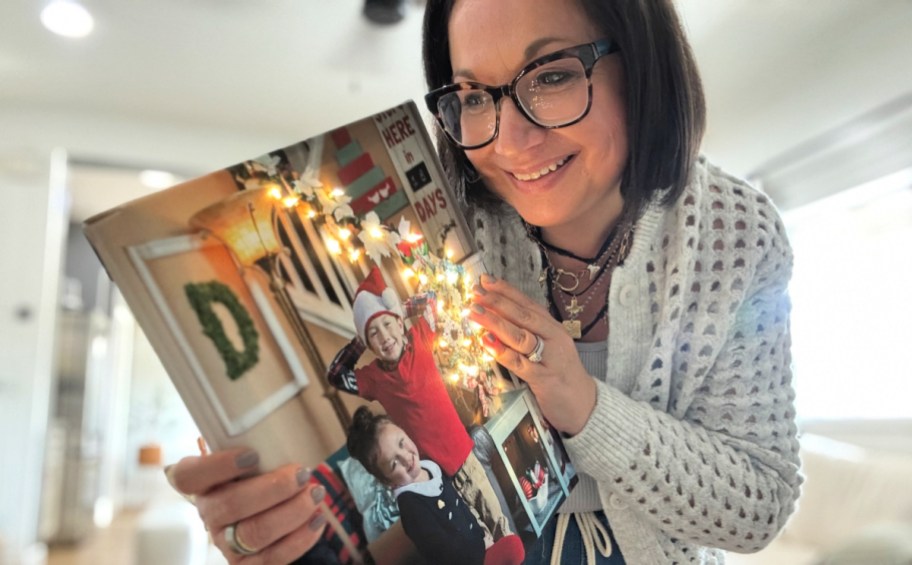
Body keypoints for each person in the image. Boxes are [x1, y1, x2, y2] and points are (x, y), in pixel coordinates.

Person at [167, 0, 802, 563]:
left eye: (551, 75)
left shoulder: (731, 235)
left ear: (641, 66)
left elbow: (759, 501)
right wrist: (266, 524)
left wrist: (584, 405)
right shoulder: (445, 228)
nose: (511, 141)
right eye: (473, 96)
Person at [327, 266, 511, 544]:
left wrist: (393, 309)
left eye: (388, 325)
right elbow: (336, 375)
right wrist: (360, 338)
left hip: (465, 457)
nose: (384, 336)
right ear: (369, 344)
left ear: (401, 324)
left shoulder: (421, 339)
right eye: (373, 334)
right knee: (476, 542)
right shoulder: (374, 378)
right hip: (433, 476)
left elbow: (431, 298)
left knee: (499, 525)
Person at [346, 406, 525, 565]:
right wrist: (481, 550)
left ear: (404, 431)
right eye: (394, 464)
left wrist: (482, 536)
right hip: (468, 560)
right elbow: (444, 553)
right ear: (387, 480)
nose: (405, 457)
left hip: (481, 545)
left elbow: (460, 505)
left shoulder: (430, 467)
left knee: (513, 545)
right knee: (513, 549)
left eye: (402, 443)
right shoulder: (412, 508)